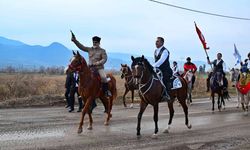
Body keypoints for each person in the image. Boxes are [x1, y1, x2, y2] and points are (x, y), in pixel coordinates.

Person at [71, 32, 111, 97]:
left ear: (99, 43)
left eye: (96, 42)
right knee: (80, 77)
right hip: (90, 68)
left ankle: (106, 91)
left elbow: (104, 59)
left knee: (103, 77)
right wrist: (74, 40)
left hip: (99, 68)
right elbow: (81, 47)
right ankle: (82, 91)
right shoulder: (89, 49)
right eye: (93, 42)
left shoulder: (102, 51)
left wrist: (96, 63)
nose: (94, 43)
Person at [152, 37, 172, 101]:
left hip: (165, 71)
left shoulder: (165, 51)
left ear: (162, 43)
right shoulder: (155, 51)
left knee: (164, 80)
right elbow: (156, 61)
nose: (156, 42)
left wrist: (152, 66)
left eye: (158, 41)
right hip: (158, 70)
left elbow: (161, 61)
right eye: (156, 41)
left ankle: (166, 95)